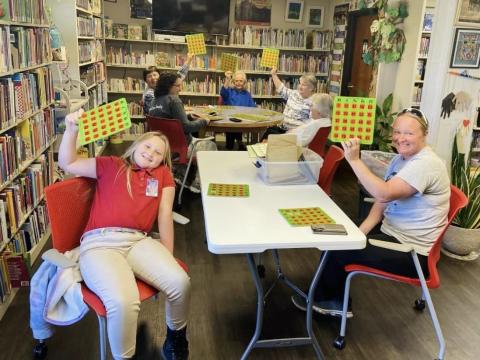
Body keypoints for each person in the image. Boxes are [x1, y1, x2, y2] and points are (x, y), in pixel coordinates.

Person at [58, 110, 191, 360]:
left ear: (163, 160)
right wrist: (72, 129)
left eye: (158, 153)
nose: (151, 153)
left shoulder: (163, 175)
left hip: (139, 240)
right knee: (123, 301)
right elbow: (68, 163)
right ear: (136, 143)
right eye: (148, 146)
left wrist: (167, 257)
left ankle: (176, 339)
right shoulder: (111, 164)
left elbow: (164, 216)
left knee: (179, 282)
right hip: (100, 243)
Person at [292, 108, 450, 317]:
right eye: (397, 132)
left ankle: (334, 302)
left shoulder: (426, 164)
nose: (400, 138)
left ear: (424, 134)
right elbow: (382, 201)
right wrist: (361, 231)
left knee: (338, 247)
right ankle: (324, 291)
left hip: (413, 253)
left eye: (409, 133)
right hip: (392, 232)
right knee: (336, 232)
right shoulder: (402, 159)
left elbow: (383, 192)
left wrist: (355, 161)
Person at [149, 72, 217, 193]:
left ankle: (181, 175)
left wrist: (188, 116)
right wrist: (204, 121)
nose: (180, 89)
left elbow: (170, 120)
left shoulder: (154, 102)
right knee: (210, 145)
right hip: (180, 148)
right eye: (178, 86)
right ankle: (196, 185)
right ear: (169, 86)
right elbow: (186, 127)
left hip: (163, 147)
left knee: (193, 142)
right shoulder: (174, 100)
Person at [261, 67, 316, 140]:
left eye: (304, 85)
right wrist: (274, 74)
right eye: (300, 83)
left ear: (311, 88)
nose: (300, 87)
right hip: (282, 128)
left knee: (272, 141)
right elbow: (281, 88)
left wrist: (295, 131)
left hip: (295, 134)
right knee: (267, 135)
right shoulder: (294, 93)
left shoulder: (314, 102)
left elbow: (310, 126)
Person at [220, 70, 256, 150]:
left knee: (237, 125)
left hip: (243, 121)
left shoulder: (247, 94)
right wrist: (227, 79)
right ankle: (237, 143)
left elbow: (253, 107)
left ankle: (236, 144)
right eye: (236, 81)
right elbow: (222, 93)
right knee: (232, 127)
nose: (238, 83)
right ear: (233, 82)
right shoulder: (229, 91)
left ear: (244, 82)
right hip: (230, 120)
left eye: (241, 81)